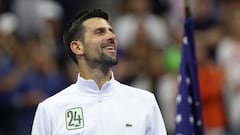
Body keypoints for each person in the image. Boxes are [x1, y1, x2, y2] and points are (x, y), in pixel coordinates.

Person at [31, 9, 167, 135]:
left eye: (111, 31)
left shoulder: (145, 102)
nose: (112, 36)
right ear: (78, 47)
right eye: (100, 32)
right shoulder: (50, 110)